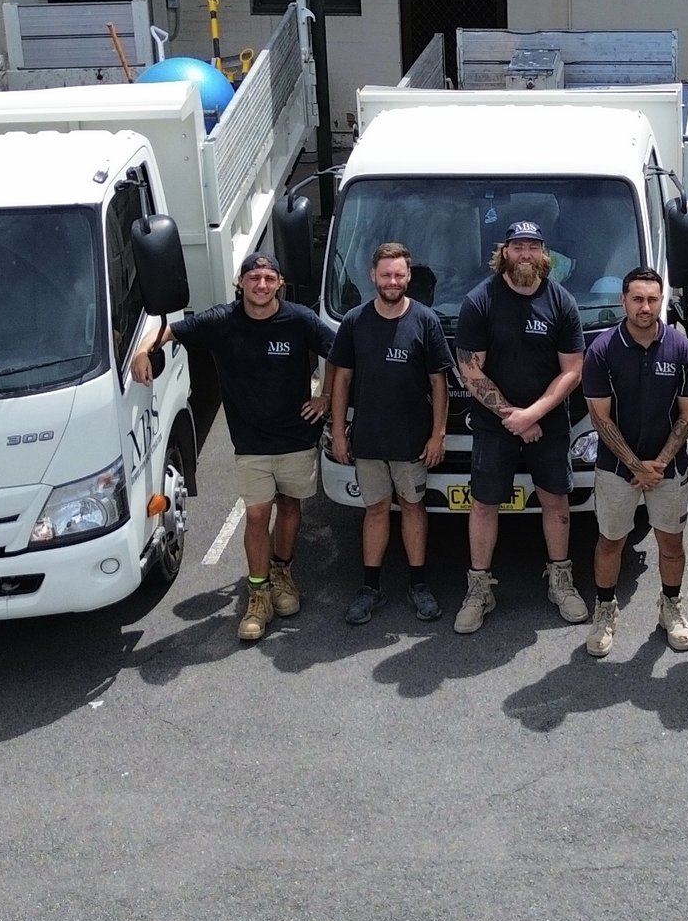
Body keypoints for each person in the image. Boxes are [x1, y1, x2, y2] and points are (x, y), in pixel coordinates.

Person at [132, 249, 335, 644]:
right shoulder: (221, 320)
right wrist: (143, 351)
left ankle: (282, 573)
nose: (261, 285)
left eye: (269, 279)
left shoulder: (299, 319)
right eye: (253, 279)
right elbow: (170, 330)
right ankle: (258, 593)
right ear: (240, 283)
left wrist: (325, 396)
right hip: (251, 442)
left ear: (280, 284)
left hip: (296, 435)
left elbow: (342, 354)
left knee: (291, 507)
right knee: (258, 517)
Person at [451, 221, 589, 634]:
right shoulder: (480, 301)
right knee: (483, 504)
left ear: (544, 254)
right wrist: (514, 416)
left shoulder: (561, 302)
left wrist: (534, 414)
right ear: (504, 253)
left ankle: (561, 583)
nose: (525, 253)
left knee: (556, 502)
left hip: (549, 423)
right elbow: (469, 369)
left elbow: (573, 370)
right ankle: (478, 590)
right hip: (496, 426)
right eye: (517, 247)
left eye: (532, 246)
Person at [580, 269, 688, 657]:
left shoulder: (681, 349)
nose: (645, 307)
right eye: (637, 299)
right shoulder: (601, 350)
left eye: (652, 299)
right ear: (623, 301)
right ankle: (605, 609)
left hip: (668, 469)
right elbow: (600, 418)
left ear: (661, 300)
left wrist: (660, 463)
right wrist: (637, 466)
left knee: (671, 544)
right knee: (610, 542)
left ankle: (671, 606)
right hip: (618, 470)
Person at [327, 242, 452, 628]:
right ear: (372, 277)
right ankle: (370, 588)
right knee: (376, 510)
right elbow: (342, 379)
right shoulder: (354, 321)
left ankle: (418, 585)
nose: (393, 281)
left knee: (414, 508)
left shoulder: (426, 321)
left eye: (399, 275)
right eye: (386, 275)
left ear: (409, 276)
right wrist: (338, 433)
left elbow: (439, 383)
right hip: (368, 440)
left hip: (412, 441)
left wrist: (438, 435)